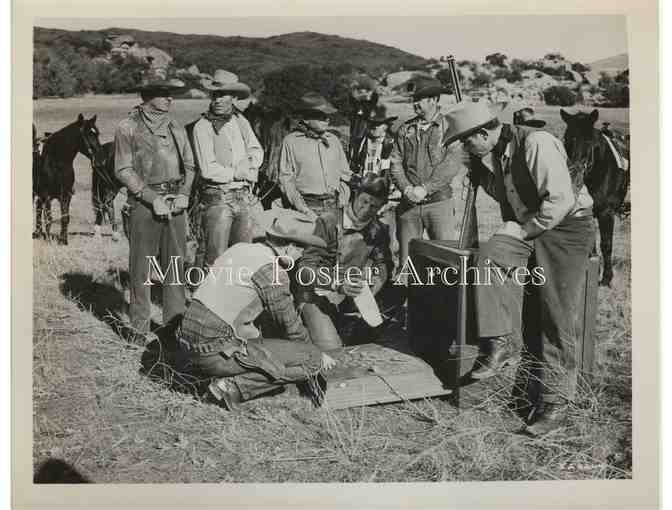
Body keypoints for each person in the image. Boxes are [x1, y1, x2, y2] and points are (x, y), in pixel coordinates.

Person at [443, 102, 595, 436]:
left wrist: (523, 230)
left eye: (467, 142)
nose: (465, 148)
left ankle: (556, 404)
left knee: (555, 314)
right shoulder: (498, 152)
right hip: (534, 226)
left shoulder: (536, 142)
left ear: (483, 133)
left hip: (565, 229)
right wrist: (484, 176)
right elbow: (513, 195)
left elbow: (559, 200)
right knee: (490, 256)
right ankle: (501, 343)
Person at [174, 213, 337, 410]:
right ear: (289, 247)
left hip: (187, 341)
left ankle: (204, 372)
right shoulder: (272, 272)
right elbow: (291, 327)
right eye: (300, 249)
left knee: (260, 340)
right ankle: (229, 388)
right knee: (311, 360)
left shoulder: (240, 248)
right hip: (214, 348)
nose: (300, 255)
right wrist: (317, 356)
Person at [113, 74, 195, 341]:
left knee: (175, 266)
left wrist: (184, 193)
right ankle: (138, 330)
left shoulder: (176, 126)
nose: (170, 98)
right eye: (163, 93)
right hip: (143, 205)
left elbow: (191, 166)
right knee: (141, 269)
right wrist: (151, 198)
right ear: (147, 97)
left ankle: (173, 329)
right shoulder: (127, 127)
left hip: (176, 203)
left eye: (171, 93)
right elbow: (123, 170)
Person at [294, 174, 393, 351]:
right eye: (364, 201)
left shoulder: (378, 229)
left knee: (371, 341)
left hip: (351, 296)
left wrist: (373, 287)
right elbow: (305, 270)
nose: (367, 209)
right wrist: (337, 283)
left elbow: (383, 265)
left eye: (374, 206)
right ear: (356, 194)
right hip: (317, 293)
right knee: (332, 349)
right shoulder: (329, 221)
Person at [389, 83, 463, 280]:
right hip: (409, 205)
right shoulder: (406, 129)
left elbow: (451, 165)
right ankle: (406, 309)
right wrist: (406, 189)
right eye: (413, 100)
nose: (414, 104)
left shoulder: (449, 128)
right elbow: (395, 162)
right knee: (406, 264)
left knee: (446, 261)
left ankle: (444, 307)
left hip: (439, 203)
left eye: (419, 100)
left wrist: (425, 189)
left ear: (433, 100)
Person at [191, 70, 264, 267]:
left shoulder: (241, 122)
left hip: (243, 198)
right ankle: (205, 295)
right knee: (215, 258)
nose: (218, 100)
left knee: (242, 256)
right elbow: (207, 169)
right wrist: (237, 172)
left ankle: (234, 296)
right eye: (214, 95)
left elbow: (256, 150)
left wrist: (249, 164)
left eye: (223, 95)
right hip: (218, 198)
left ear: (233, 98)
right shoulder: (202, 126)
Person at [278, 92, 352, 220]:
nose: (327, 120)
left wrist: (343, 199)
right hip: (307, 206)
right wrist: (303, 209)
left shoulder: (333, 140)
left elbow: (345, 174)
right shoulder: (291, 142)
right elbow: (286, 180)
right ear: (306, 119)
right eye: (321, 116)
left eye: (328, 116)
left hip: (334, 206)